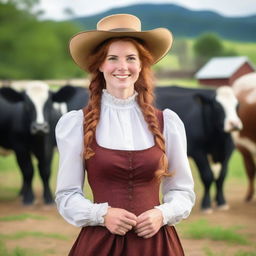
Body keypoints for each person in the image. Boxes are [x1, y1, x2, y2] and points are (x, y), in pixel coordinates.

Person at [55, 13, 195, 256]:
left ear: (141, 64)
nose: (123, 67)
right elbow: (67, 195)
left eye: (131, 58)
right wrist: (102, 214)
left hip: (156, 245)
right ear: (100, 65)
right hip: (101, 244)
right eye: (112, 58)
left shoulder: (167, 122)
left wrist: (162, 214)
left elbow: (183, 191)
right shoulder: (76, 123)